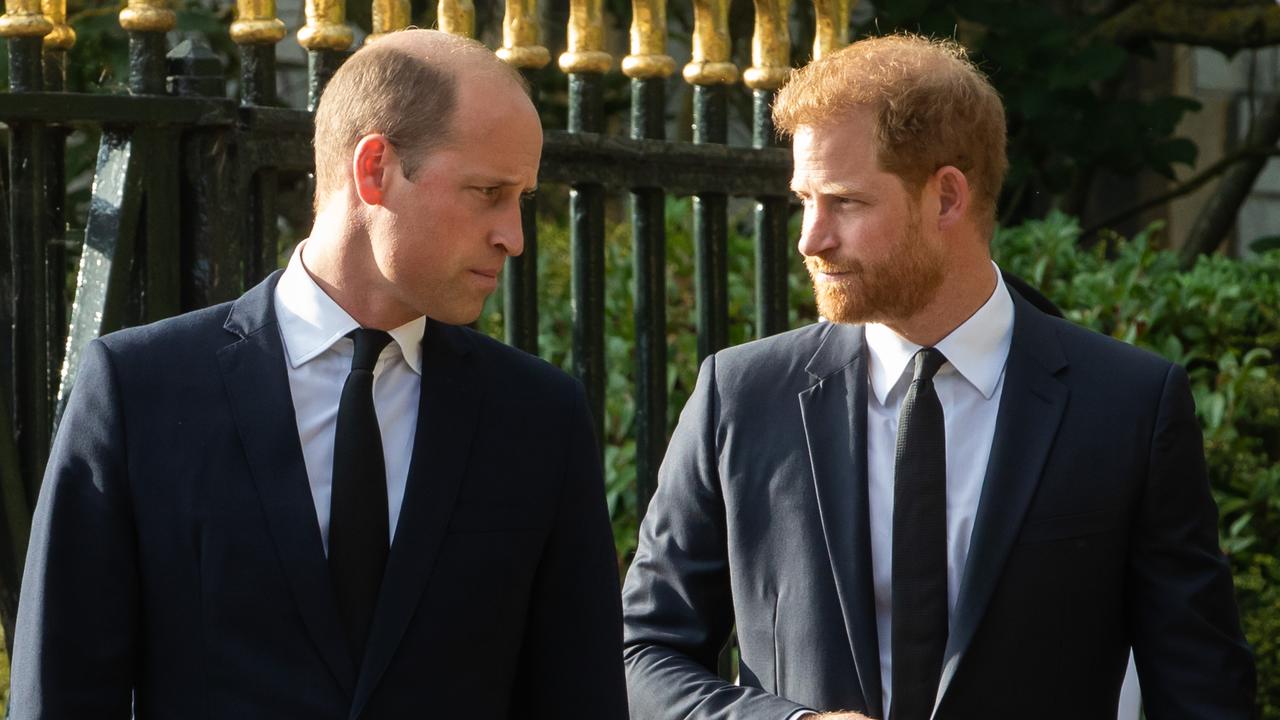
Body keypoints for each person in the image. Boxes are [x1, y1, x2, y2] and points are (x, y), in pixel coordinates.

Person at [621, 34, 1255, 720]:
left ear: (947, 197)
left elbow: (1201, 687)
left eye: (845, 202)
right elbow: (639, 652)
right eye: (804, 198)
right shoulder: (741, 397)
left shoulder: (1128, 405)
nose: (810, 237)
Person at [11, 29, 627, 719]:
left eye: (522, 199)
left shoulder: (539, 418)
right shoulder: (139, 391)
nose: (513, 235)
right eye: (488, 192)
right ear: (375, 171)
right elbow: (60, 696)